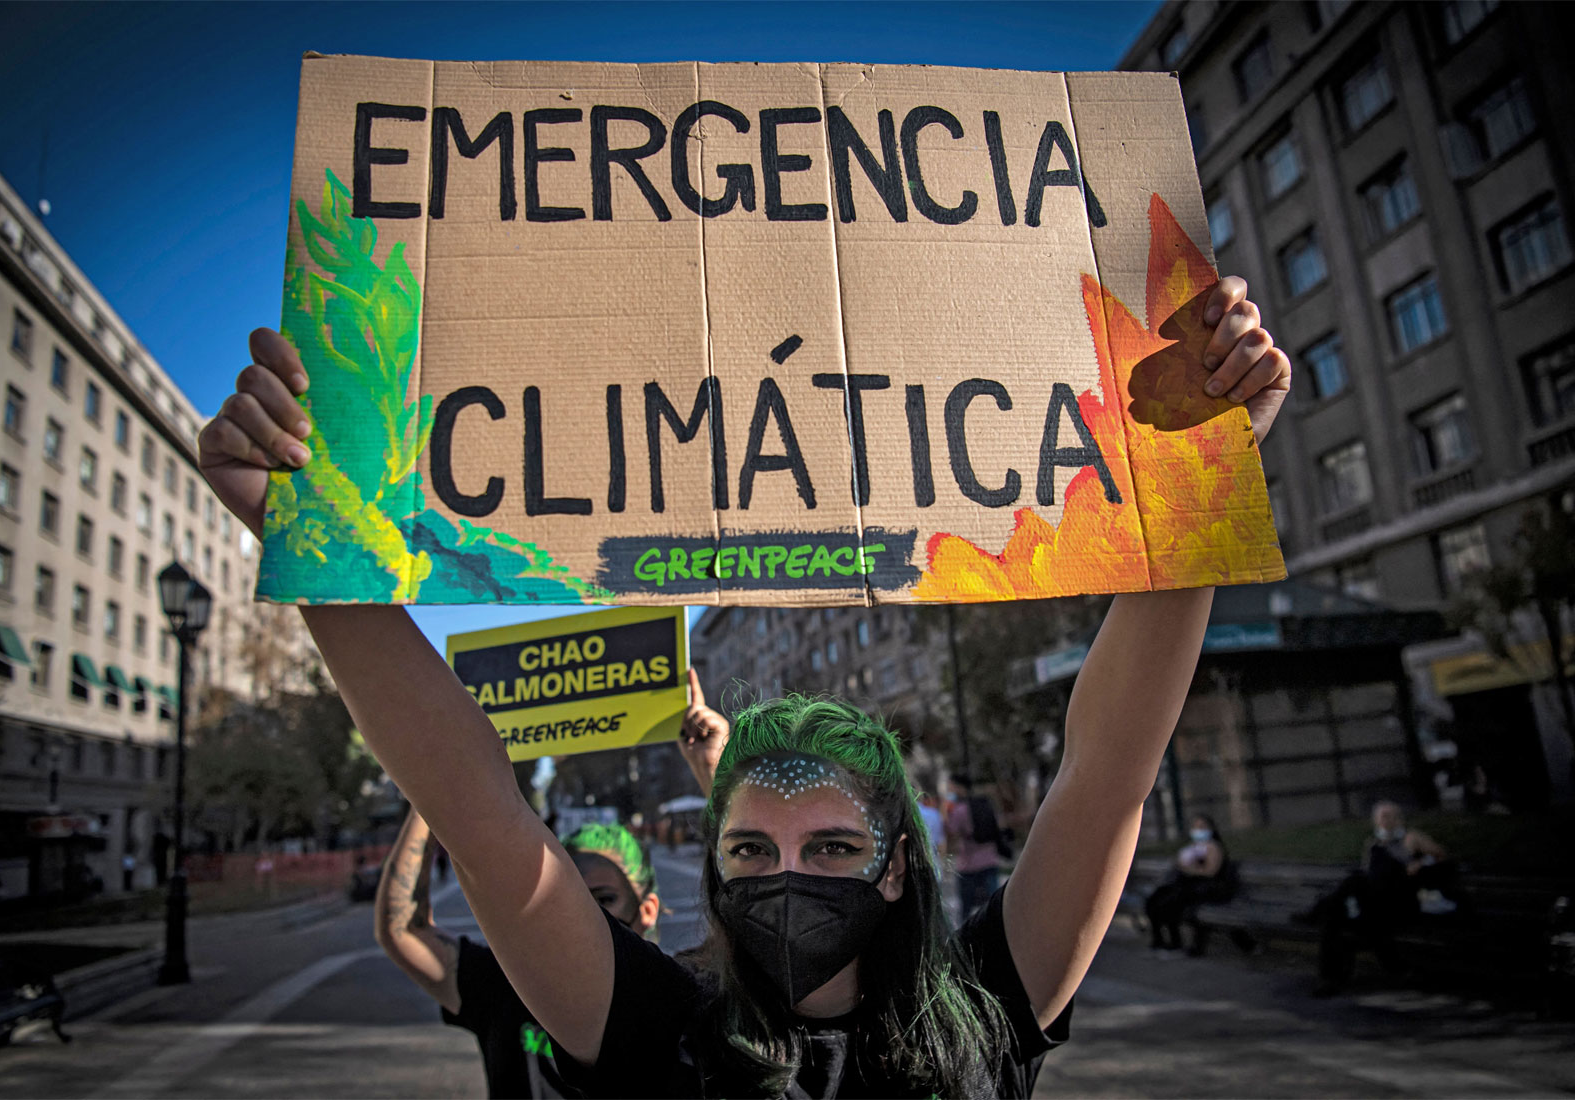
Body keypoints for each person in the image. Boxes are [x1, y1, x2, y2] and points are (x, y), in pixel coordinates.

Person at [199, 274, 1289, 1097]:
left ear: (898, 868)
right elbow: (483, 817)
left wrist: (1205, 470)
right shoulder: (649, 1026)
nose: (786, 879)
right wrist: (314, 544)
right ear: (710, 872)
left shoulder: (985, 1013)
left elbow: (1105, 772)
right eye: (750, 850)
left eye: (830, 850)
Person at [374, 808, 662, 1098]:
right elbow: (406, 930)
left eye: (605, 899)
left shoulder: (676, 999)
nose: (587, 919)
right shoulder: (508, 983)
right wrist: (426, 789)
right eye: (574, 901)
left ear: (647, 910)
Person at [1312, 801, 1455, 996]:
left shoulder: (1411, 838)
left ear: (1399, 818)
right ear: (1376, 821)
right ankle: (1328, 980)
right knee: (1334, 918)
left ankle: (1317, 912)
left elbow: (1442, 856)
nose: (1387, 820)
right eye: (1383, 816)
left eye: (1391, 815)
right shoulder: (1373, 844)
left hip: (1398, 902)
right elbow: (1368, 874)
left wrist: (1421, 862)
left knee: (1345, 893)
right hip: (1372, 905)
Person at [1144, 814, 1237, 956]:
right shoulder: (1191, 848)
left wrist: (1189, 869)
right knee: (1155, 900)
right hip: (1186, 885)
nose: (1198, 831)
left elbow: (1210, 871)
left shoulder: (1213, 847)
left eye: (1202, 827)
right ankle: (1159, 941)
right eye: (1195, 827)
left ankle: (1176, 943)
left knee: (1171, 903)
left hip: (1204, 888)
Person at [945, 773, 1005, 920]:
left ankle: (964, 941)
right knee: (994, 904)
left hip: (969, 863)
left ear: (959, 787)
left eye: (951, 786)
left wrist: (945, 810)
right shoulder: (985, 804)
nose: (949, 789)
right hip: (990, 858)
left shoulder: (959, 810)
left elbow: (951, 831)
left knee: (966, 908)